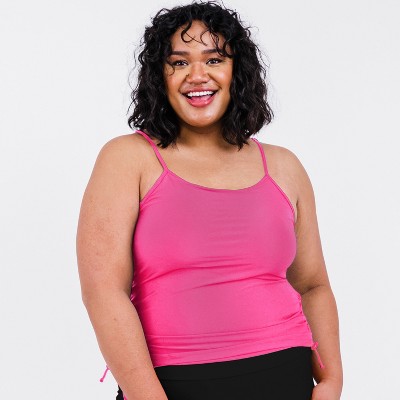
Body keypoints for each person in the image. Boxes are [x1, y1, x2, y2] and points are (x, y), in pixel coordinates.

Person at [76, 1, 343, 399]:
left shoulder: (284, 166)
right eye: (179, 62)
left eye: (214, 59)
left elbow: (312, 285)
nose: (197, 75)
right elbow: (103, 291)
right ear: (159, 76)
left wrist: (331, 381)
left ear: (238, 71)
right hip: (171, 385)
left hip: (285, 377)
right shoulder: (127, 159)